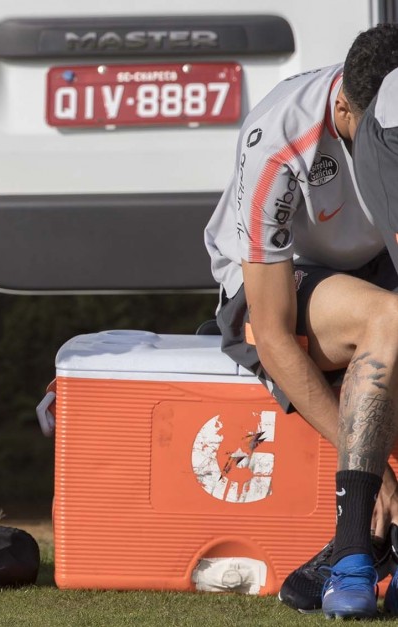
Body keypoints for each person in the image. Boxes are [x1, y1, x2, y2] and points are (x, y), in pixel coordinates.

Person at [204, 23, 398, 620]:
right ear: (343, 106)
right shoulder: (281, 137)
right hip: (278, 286)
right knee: (389, 317)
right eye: (380, 137)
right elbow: (273, 331)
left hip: (369, 267)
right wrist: (374, 473)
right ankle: (352, 552)